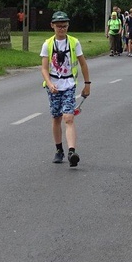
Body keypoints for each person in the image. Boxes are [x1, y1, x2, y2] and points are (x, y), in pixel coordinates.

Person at [40, 11, 91, 167]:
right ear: (52, 26)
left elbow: (82, 63)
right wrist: (49, 83)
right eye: (58, 26)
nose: (61, 29)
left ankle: (71, 151)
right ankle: (59, 150)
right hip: (54, 86)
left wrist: (87, 83)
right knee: (56, 118)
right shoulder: (47, 44)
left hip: (68, 84)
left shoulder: (74, 42)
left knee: (68, 117)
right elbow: (43, 68)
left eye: (64, 26)